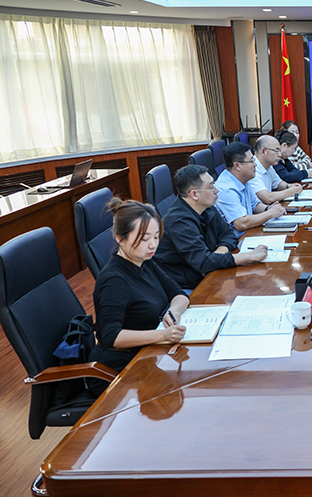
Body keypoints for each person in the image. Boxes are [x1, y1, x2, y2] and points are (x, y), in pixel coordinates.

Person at [88, 199, 190, 392]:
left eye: (156, 237)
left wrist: (174, 312)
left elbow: (178, 293)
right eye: (144, 239)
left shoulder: (144, 261)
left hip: (148, 353)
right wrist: (163, 335)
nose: (153, 245)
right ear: (120, 239)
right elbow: (111, 336)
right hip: (119, 371)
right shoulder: (114, 280)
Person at [155, 165, 268, 290]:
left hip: (208, 273)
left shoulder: (207, 208)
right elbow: (203, 263)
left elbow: (229, 235)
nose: (217, 190)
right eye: (211, 186)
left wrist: (217, 254)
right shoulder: (178, 222)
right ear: (194, 194)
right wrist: (249, 256)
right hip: (185, 286)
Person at [215, 141, 286, 239]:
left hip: (250, 233)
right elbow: (241, 223)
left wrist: (269, 208)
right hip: (236, 242)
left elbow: (255, 205)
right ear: (237, 166)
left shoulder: (244, 179)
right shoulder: (226, 189)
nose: (255, 164)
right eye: (251, 161)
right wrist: (270, 213)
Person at [251, 134, 304, 205]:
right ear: (263, 151)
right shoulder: (253, 169)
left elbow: (278, 184)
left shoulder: (269, 166)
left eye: (280, 151)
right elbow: (267, 198)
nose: (279, 155)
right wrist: (291, 191)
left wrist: (289, 186)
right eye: (276, 150)